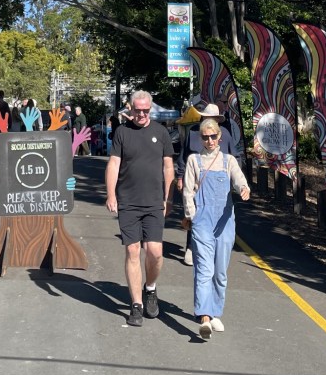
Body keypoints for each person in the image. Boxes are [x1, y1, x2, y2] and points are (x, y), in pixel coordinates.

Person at [105, 90, 174, 327]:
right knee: (133, 251)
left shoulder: (161, 132)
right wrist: (111, 194)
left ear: (150, 109)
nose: (142, 114)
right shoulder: (122, 133)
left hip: (155, 202)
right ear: (130, 109)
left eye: (146, 110)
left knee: (155, 252)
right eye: (138, 110)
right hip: (129, 202)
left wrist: (169, 197)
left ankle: (150, 288)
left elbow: (168, 166)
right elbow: (114, 164)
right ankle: (136, 305)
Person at [181, 117, 249, 340]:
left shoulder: (229, 161)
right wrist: (192, 215)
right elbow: (188, 191)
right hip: (202, 221)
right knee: (204, 271)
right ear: (200, 138)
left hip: (225, 222)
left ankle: (216, 311)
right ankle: (205, 317)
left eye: (213, 136)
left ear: (220, 137)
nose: (209, 140)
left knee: (220, 273)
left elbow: (238, 178)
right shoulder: (193, 161)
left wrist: (243, 188)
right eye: (205, 137)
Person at [176, 103, 233, 265]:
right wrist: (180, 176)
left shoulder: (226, 135)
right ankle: (191, 247)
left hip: (219, 183)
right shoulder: (193, 133)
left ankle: (213, 247)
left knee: (217, 213)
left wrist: (235, 181)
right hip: (195, 180)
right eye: (207, 118)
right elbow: (183, 155)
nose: (209, 121)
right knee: (195, 212)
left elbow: (235, 158)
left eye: (213, 118)